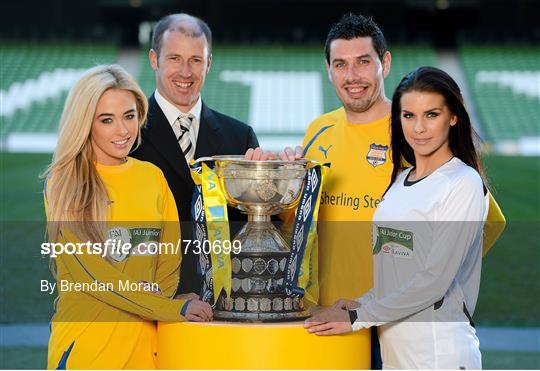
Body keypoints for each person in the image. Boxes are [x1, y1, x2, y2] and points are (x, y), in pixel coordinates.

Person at [248, 13, 505, 368]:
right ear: (329, 70)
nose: (352, 76)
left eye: (363, 62)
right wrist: (277, 189)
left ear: (384, 63)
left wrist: (433, 287)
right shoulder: (319, 131)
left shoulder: (416, 133)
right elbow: (301, 223)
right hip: (333, 316)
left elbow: (483, 227)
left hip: (398, 322)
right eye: (341, 64)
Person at [305, 66, 488, 369]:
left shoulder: (463, 183)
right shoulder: (400, 180)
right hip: (395, 355)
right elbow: (398, 274)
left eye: (431, 114)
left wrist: (357, 317)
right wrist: (362, 302)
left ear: (453, 117)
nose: (418, 128)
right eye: (408, 116)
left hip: (439, 355)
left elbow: (433, 282)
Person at [42, 64, 212, 369]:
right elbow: (95, 277)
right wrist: (170, 308)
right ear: (86, 123)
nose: (123, 131)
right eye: (107, 120)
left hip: (148, 349)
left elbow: (168, 260)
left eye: (129, 116)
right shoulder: (64, 184)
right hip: (87, 350)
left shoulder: (152, 177)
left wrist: (161, 300)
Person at [131, 13, 259, 296]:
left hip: (225, 306)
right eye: (175, 58)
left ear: (209, 63)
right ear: (154, 59)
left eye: (196, 60)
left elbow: (257, 232)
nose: (185, 72)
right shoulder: (128, 136)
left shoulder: (240, 137)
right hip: (149, 305)